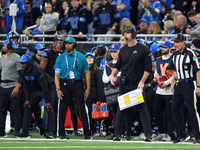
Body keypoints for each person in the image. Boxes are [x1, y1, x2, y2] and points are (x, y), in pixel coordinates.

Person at [109, 28, 152, 141]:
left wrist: (142, 81)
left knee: (142, 108)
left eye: (127, 33)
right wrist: (113, 75)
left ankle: (148, 135)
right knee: (121, 108)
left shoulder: (143, 49)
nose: (125, 36)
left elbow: (148, 68)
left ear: (133, 35)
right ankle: (117, 134)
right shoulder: (123, 50)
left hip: (137, 84)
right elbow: (118, 65)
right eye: (124, 34)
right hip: (125, 83)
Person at [54, 37, 91, 140]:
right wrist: (58, 89)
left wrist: (88, 88)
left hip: (77, 83)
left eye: (70, 44)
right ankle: (61, 133)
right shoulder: (60, 58)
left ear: (74, 45)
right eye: (66, 44)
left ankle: (87, 133)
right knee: (62, 108)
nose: (67, 45)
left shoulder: (81, 57)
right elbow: (57, 75)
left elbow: (87, 73)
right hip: (64, 83)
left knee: (81, 108)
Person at [15, 54, 56, 138]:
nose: (22, 65)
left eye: (24, 63)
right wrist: (27, 99)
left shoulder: (37, 70)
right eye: (21, 63)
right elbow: (26, 85)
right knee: (28, 106)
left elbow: (44, 85)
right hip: (36, 89)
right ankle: (25, 132)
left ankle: (52, 132)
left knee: (49, 107)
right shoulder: (22, 71)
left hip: (48, 87)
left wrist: (47, 101)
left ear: (29, 63)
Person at [170, 33, 200, 144]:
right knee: (175, 109)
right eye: (175, 42)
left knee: (192, 110)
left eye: (178, 42)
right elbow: (174, 71)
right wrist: (173, 84)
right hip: (179, 84)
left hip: (189, 83)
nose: (176, 44)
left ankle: (198, 136)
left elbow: (198, 70)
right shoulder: (175, 55)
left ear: (183, 42)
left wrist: (198, 86)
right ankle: (182, 135)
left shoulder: (190, 53)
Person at [151, 41, 176, 141]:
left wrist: (168, 82)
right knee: (156, 112)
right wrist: (156, 77)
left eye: (165, 47)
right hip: (160, 90)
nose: (162, 49)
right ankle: (161, 132)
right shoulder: (158, 59)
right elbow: (157, 73)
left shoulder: (173, 59)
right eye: (162, 47)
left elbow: (175, 73)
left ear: (170, 48)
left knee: (170, 114)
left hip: (169, 90)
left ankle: (169, 133)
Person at [0, 39, 21, 137]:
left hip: (13, 86)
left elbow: (21, 74)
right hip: (2, 86)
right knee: (1, 109)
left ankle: (17, 131)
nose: (2, 47)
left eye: (4, 45)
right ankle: (1, 131)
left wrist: (17, 87)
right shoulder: (2, 57)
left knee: (14, 109)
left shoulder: (17, 57)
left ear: (9, 47)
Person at [85, 52, 105, 134]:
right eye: (87, 58)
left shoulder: (97, 71)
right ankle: (89, 129)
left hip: (94, 95)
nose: (89, 59)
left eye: (91, 57)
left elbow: (100, 85)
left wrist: (101, 98)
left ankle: (95, 129)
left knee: (94, 113)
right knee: (87, 113)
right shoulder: (82, 70)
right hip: (85, 95)